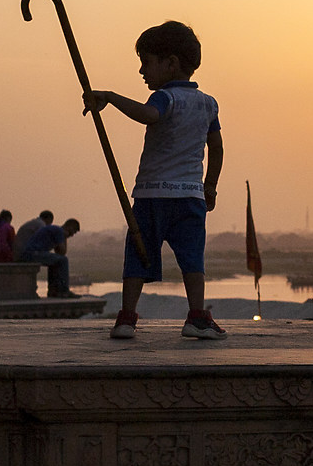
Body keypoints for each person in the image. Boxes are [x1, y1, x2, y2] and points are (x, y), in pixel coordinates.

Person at [84, 20, 225, 340]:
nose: (141, 72)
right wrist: (210, 185)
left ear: (170, 63)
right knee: (193, 259)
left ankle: (126, 318)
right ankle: (197, 316)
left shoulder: (165, 98)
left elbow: (150, 116)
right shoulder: (208, 103)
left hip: (152, 196)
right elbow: (215, 148)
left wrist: (110, 97)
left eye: (146, 62)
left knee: (137, 254)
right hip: (190, 196)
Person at [19, 216, 81, 298]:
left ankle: (53, 291)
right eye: (73, 231)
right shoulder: (58, 231)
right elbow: (62, 253)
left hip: (30, 254)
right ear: (69, 226)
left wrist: (64, 237)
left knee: (56, 262)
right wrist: (65, 237)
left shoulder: (56, 230)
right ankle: (64, 290)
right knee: (64, 261)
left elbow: (59, 253)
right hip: (32, 254)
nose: (72, 235)